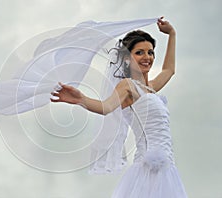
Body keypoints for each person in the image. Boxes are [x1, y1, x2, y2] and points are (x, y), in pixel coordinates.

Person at [51, 17, 187, 197]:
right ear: (126, 58)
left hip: (168, 169)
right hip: (148, 171)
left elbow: (169, 70)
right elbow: (106, 107)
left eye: (151, 52)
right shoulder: (128, 86)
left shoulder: (150, 88)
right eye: (139, 53)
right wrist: (81, 99)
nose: (147, 57)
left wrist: (172, 34)